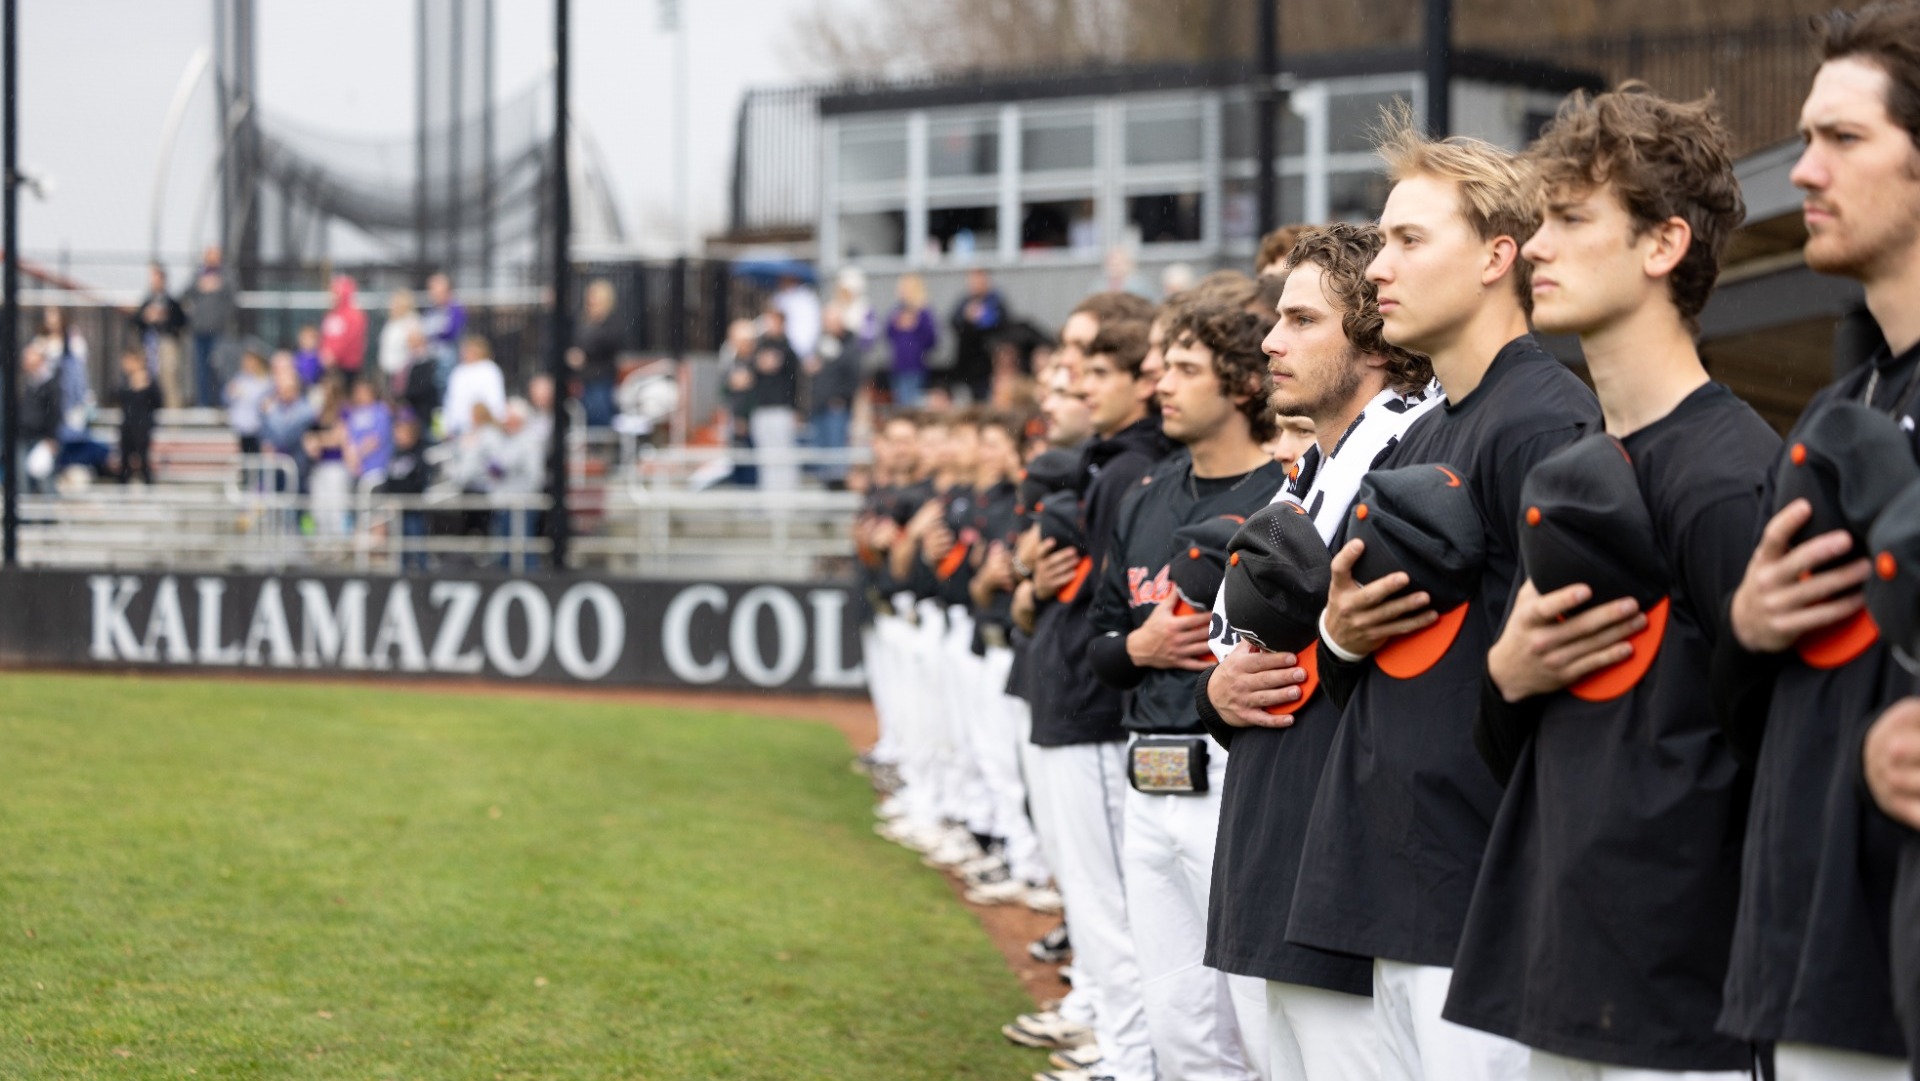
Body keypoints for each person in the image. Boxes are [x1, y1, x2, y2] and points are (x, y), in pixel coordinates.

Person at [1451, 85, 1775, 1080]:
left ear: (1663, 245)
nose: (1537, 246)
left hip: (1687, 1004)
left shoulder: (1732, 476)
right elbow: (1525, 747)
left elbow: (1777, 753)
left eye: (1571, 219)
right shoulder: (1579, 463)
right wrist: (1504, 675)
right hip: (1564, 969)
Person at [1290, 112, 1599, 1081]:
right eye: (1381, 239)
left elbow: (1576, 681)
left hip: (1485, 901)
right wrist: (1337, 636)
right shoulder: (1423, 437)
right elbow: (1374, 671)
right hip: (1391, 883)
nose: (1379, 265)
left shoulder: (1547, 421)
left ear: (1496, 256)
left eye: (1408, 239)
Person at [1711, 4, 1920, 1078]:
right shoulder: (1844, 401)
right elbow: (1742, 712)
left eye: (1844, 139)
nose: (1801, 171)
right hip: (1803, 964)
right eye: (1803, 138)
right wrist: (1746, 627)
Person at [1198, 222, 1441, 1081]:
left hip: (1351, 872)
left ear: (1374, 335)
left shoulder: (1413, 451)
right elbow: (1252, 653)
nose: (1271, 339)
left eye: (1302, 320)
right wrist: (1216, 695)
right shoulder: (1318, 464)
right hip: (1285, 850)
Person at [1085, 300, 1290, 1081]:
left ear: (1242, 384)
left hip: (1236, 769)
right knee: (1178, 1020)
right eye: (1163, 366)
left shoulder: (1283, 493)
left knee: (1263, 1017)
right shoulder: (1146, 494)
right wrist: (1141, 644)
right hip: (1150, 767)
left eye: (1184, 369)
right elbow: (1102, 646)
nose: (1161, 384)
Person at [1006, 291, 1163, 1079]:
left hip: (1101, 711)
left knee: (1112, 902)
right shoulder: (1109, 461)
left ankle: (1125, 1051)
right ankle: (1110, 1031)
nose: (1077, 377)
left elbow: (1111, 599)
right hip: (1079, 693)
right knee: (1097, 898)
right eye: (1075, 360)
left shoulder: (1132, 463)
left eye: (1097, 365)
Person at [806, 304, 863, 484]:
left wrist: (842, 397)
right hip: (819, 404)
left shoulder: (851, 344)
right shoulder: (822, 342)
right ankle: (825, 486)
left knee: (836, 451)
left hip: (836, 405)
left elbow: (855, 375)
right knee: (821, 450)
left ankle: (837, 486)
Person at [749, 308, 803, 493]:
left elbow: (795, 381)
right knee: (764, 458)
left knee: (783, 456)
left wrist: (797, 409)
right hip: (762, 409)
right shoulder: (758, 347)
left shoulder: (789, 350)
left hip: (781, 409)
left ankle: (785, 499)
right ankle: (768, 499)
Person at [374, 414, 432, 572]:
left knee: (417, 545)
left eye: (402, 433)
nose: (399, 437)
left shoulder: (418, 456)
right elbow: (388, 481)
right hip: (397, 511)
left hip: (412, 510)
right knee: (400, 550)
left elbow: (420, 482)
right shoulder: (394, 456)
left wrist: (403, 495)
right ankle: (403, 575)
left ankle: (423, 576)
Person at [131, 263, 187, 409]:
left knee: (169, 380)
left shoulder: (171, 302)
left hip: (166, 343)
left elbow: (182, 321)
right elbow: (135, 321)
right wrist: (146, 316)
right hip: (149, 345)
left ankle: (173, 420)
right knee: (147, 380)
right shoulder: (147, 301)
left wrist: (164, 318)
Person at [186, 246, 236, 408]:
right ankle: (203, 404)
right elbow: (186, 292)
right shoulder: (199, 273)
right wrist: (200, 284)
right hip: (200, 330)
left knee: (219, 366)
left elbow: (234, 294)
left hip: (218, 330)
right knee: (200, 369)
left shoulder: (227, 274)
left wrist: (218, 284)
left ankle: (221, 402)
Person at [570, 279, 622, 428]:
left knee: (598, 411)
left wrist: (584, 354)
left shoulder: (611, 322)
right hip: (582, 378)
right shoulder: (582, 322)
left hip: (600, 378)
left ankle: (601, 441)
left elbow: (607, 343)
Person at [949, 268, 1006, 401]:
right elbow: (953, 322)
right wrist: (966, 318)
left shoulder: (995, 301)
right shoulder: (964, 302)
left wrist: (983, 318)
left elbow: (1002, 325)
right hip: (967, 361)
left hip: (987, 361)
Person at [16, 342, 62, 495]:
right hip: (23, 436)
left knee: (45, 477)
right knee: (21, 479)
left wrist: (51, 438)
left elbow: (55, 412)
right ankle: (24, 517)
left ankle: (47, 516)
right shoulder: (23, 382)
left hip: (43, 438)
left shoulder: (50, 384)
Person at [443, 333, 507, 441]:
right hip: (459, 429)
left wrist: (494, 419)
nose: (468, 353)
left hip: (484, 427)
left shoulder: (489, 369)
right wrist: (448, 425)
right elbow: (451, 400)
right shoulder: (458, 372)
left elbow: (495, 398)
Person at [887, 274, 938, 406]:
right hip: (899, 366)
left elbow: (931, 339)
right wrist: (897, 324)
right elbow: (888, 334)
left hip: (916, 366)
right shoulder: (897, 311)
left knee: (913, 402)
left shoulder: (923, 312)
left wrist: (916, 325)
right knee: (901, 401)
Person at [115, 349, 163, 486]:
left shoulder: (149, 382)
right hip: (128, 427)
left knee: (143, 461)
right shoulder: (125, 382)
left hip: (142, 427)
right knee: (124, 465)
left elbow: (158, 401)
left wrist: (143, 386)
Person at [225, 344, 272, 466]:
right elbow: (226, 398)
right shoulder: (239, 379)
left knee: (256, 462)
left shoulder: (265, 381)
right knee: (244, 463)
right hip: (241, 429)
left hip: (257, 429)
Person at [421, 272, 468, 394]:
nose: (432, 293)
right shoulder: (431, 310)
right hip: (432, 359)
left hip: (449, 360)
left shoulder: (455, 309)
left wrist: (433, 335)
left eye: (435, 289)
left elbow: (451, 333)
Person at [343, 377, 394, 483]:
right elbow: (348, 438)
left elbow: (376, 439)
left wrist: (357, 454)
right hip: (356, 470)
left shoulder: (381, 411)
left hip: (377, 469)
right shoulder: (355, 413)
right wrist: (351, 459)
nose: (359, 395)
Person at [320, 274, 367, 378]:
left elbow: (350, 339)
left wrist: (335, 355)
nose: (331, 296)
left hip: (348, 367)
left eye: (334, 292)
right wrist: (325, 354)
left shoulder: (355, 315)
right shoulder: (331, 314)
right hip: (330, 366)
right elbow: (325, 338)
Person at [378, 288, 421, 392]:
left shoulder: (410, 321)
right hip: (387, 369)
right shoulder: (391, 323)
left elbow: (415, 347)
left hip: (401, 371)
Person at [773, 274, 823, 362]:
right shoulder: (779, 297)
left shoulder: (807, 299)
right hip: (783, 347)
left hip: (801, 346)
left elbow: (811, 326)